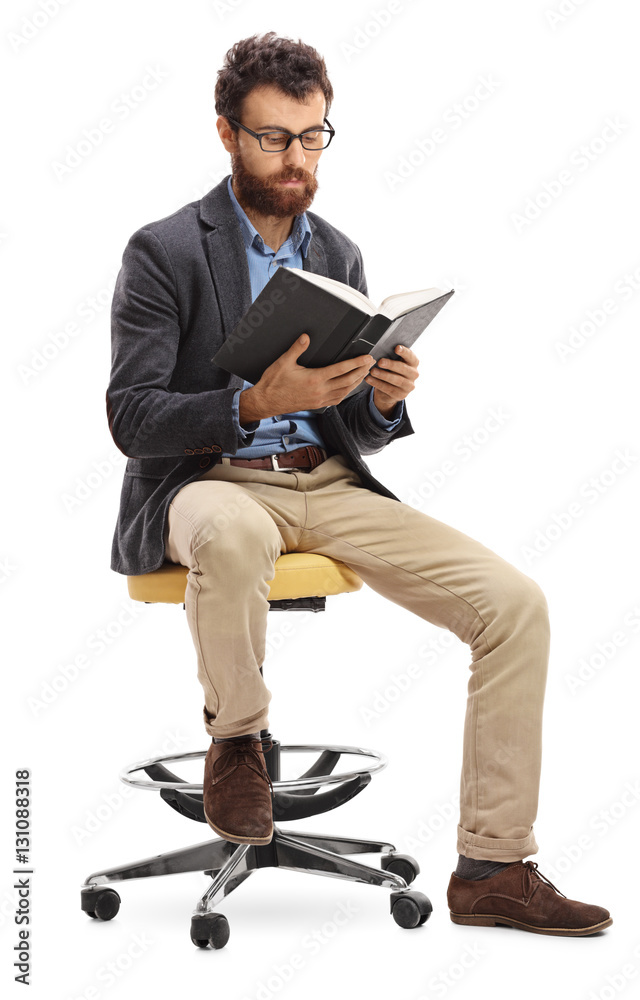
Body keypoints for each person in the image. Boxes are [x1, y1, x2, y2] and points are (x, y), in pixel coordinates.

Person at [106, 32, 612, 936]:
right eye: (273, 138)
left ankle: (492, 866)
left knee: (514, 603)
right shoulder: (165, 250)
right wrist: (254, 402)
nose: (296, 159)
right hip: (210, 480)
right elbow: (132, 417)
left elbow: (352, 428)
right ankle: (238, 744)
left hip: (328, 485)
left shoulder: (336, 252)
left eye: (311, 137)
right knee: (231, 533)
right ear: (226, 134)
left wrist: (382, 397)